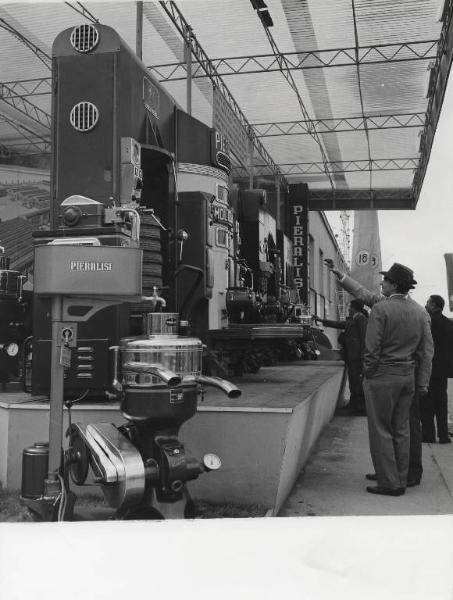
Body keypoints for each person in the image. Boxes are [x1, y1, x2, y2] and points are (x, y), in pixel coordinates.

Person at [325, 260, 433, 492]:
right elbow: (427, 352)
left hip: (383, 376)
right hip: (408, 377)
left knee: (381, 430)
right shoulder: (420, 311)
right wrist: (422, 382)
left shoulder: (381, 309)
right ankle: (400, 478)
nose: (381, 283)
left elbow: (371, 348)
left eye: (385, 280)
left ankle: (389, 483)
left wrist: (369, 373)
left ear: (393, 285)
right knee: (402, 430)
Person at [314, 298, 368, 415]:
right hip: (352, 357)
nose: (348, 309)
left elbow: (364, 338)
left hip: (357, 358)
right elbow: (339, 324)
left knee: (357, 383)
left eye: (350, 307)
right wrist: (321, 320)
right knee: (353, 382)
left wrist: (363, 357)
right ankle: (353, 405)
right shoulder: (353, 320)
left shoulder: (361, 319)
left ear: (354, 308)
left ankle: (359, 408)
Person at [422, 294, 453, 444]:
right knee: (441, 403)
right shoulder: (448, 323)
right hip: (443, 370)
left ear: (434, 305)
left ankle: (428, 435)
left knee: (427, 403)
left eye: (428, 303)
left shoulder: (428, 322)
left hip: (429, 367)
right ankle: (443, 436)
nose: (426, 305)